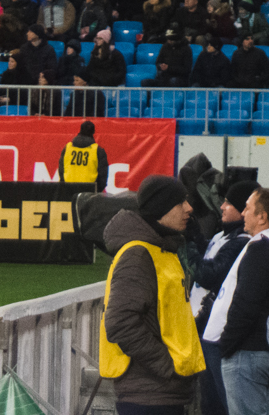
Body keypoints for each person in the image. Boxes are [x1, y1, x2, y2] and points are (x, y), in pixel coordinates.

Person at [99, 176, 205, 415]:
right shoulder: (139, 255)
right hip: (149, 396)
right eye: (180, 202)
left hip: (161, 393)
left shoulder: (161, 249)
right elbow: (120, 323)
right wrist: (167, 366)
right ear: (161, 208)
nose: (189, 208)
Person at [204, 188, 269, 415]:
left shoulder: (264, 248)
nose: (243, 213)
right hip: (260, 347)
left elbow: (246, 304)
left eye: (247, 208)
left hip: (246, 350)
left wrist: (227, 345)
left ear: (262, 217)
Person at [190, 181, 254, 415]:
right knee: (209, 396)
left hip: (217, 329)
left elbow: (211, 275)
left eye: (229, 203)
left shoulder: (242, 241)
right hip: (205, 323)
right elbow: (211, 254)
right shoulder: (224, 235)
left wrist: (187, 245)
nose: (222, 207)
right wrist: (197, 237)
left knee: (217, 399)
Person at [60, 120, 110, 188]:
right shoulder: (97, 150)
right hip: (89, 190)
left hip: (68, 188)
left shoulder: (68, 148)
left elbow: (61, 171)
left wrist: (64, 187)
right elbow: (102, 176)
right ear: (93, 132)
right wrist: (96, 190)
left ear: (80, 130)